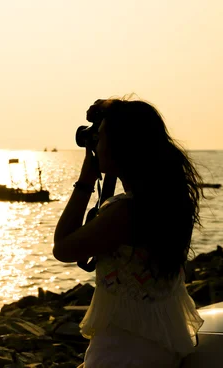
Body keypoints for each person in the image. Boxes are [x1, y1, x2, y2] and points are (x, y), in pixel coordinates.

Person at [53, 97, 204, 367]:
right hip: (158, 346)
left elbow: (63, 248)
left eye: (100, 138)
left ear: (122, 147)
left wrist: (86, 182)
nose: (95, 145)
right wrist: (109, 108)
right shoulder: (168, 202)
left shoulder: (125, 213)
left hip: (121, 354)